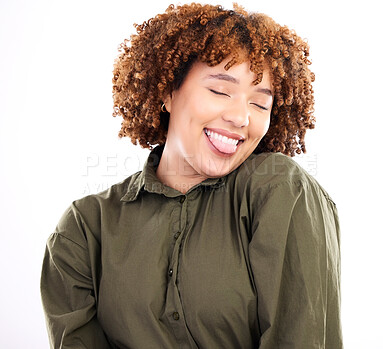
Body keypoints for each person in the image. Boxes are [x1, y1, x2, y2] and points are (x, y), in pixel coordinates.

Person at [40, 3, 343, 348]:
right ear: (168, 91)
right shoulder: (84, 229)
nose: (241, 117)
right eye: (219, 91)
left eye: (260, 104)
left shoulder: (281, 192)